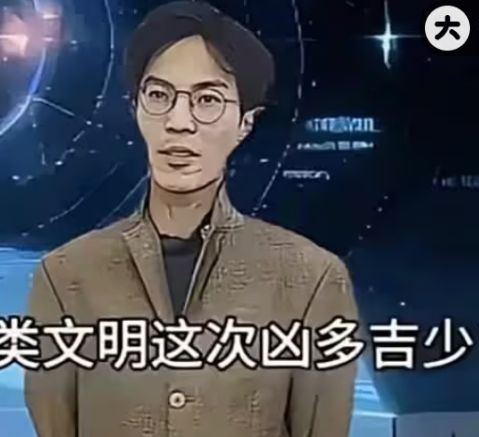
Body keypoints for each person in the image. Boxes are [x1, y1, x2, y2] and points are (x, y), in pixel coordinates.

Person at [25, 1, 360, 436]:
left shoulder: (310, 278)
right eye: (159, 96)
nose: (178, 122)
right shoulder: (66, 276)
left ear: (245, 123)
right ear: (135, 107)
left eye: (207, 100)